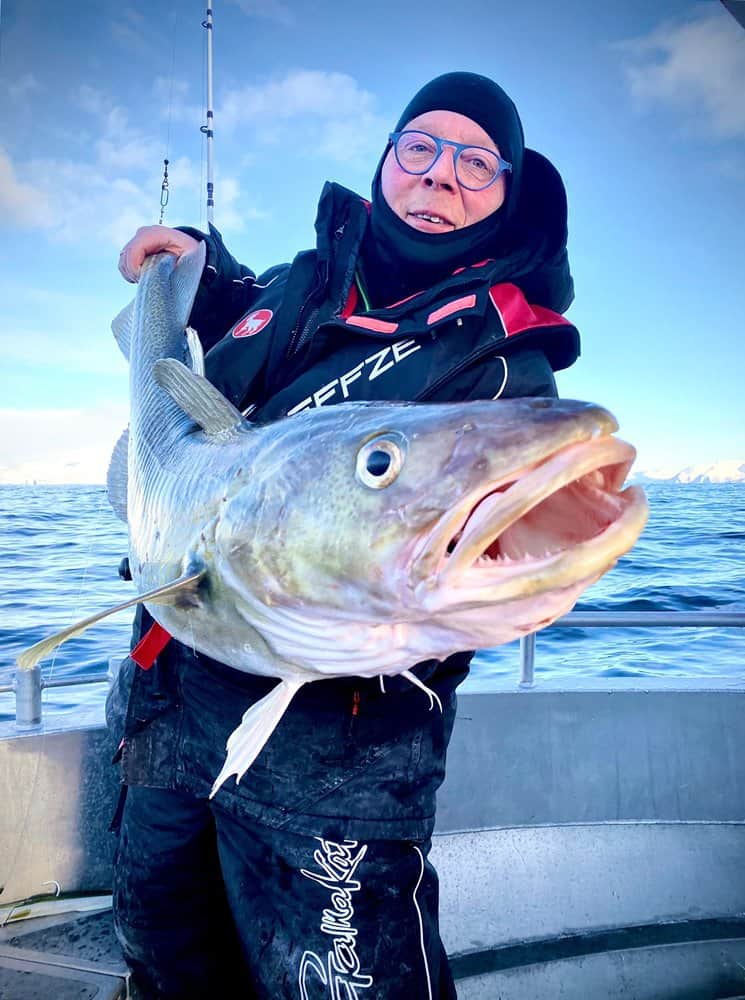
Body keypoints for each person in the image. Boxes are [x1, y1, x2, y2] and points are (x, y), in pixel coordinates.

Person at [108, 71, 580, 999]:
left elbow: (499, 546)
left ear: (508, 194)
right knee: (165, 959)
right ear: (385, 163)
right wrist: (180, 263)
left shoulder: (501, 375)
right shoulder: (301, 284)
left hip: (339, 766)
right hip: (170, 703)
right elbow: (239, 306)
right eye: (421, 147)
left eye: (478, 163)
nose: (441, 177)